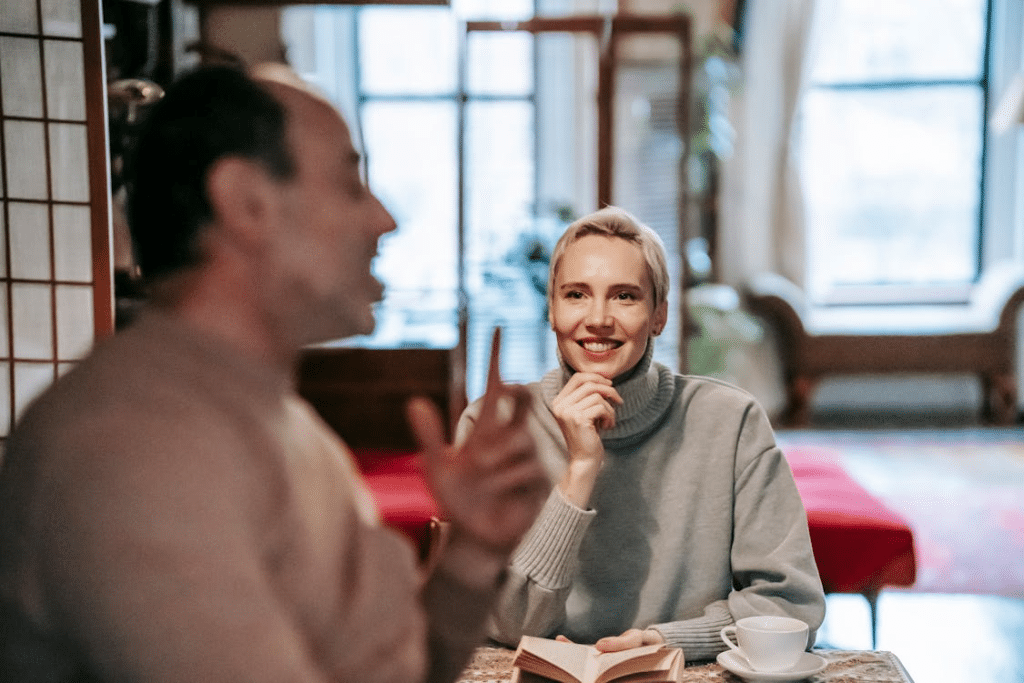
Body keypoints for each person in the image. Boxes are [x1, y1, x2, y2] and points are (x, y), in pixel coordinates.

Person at [0, 63, 549, 682]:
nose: (383, 220)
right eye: (349, 183)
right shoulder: (128, 441)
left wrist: (472, 555)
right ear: (246, 202)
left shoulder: (278, 415)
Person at [457, 206, 825, 661]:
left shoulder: (732, 423)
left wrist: (669, 641)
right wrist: (581, 470)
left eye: (625, 297)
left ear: (659, 315)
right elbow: (505, 620)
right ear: (551, 309)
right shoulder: (491, 426)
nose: (598, 319)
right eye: (576, 294)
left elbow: (791, 607)